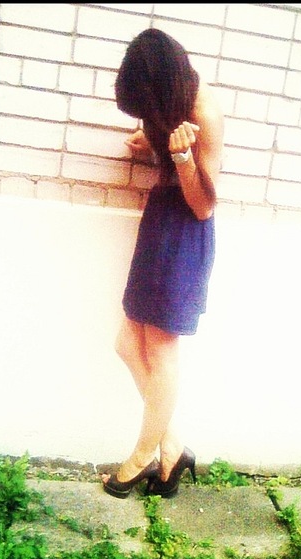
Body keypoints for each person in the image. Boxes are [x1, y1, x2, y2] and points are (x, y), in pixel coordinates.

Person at [101, 28, 224, 499]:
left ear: (162, 87)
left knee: (160, 349)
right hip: (158, 223)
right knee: (127, 344)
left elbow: (204, 206)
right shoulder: (169, 106)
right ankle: (172, 448)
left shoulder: (205, 113)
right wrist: (152, 142)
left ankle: (141, 458)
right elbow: (163, 140)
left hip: (185, 233)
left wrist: (183, 158)